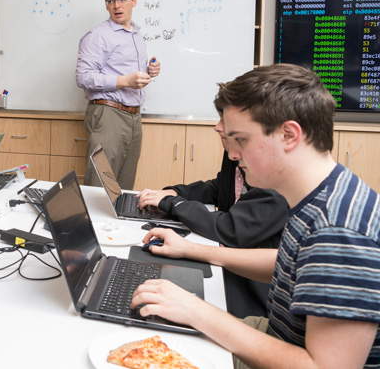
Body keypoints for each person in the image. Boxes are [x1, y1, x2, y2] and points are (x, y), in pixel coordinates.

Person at [131, 64, 380, 368]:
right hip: (277, 334)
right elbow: (289, 263)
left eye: (242, 140)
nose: (233, 155)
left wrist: (198, 311)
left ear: (288, 135)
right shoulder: (322, 194)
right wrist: (189, 250)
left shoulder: (339, 231)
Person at [137, 116, 289, 318]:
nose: (217, 127)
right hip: (230, 266)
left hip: (251, 292)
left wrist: (174, 206)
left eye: (226, 121)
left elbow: (232, 229)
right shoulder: (236, 157)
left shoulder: (277, 178)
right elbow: (219, 187)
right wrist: (175, 193)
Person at [75, 0, 160, 190]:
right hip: (108, 115)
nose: (117, 6)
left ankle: (115, 224)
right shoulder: (97, 36)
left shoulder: (136, 35)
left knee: (124, 188)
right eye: (111, 1)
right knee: (100, 186)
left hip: (133, 117)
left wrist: (151, 71)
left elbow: (127, 71)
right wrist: (125, 81)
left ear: (134, 0)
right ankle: (93, 224)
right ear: (106, 5)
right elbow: (83, 77)